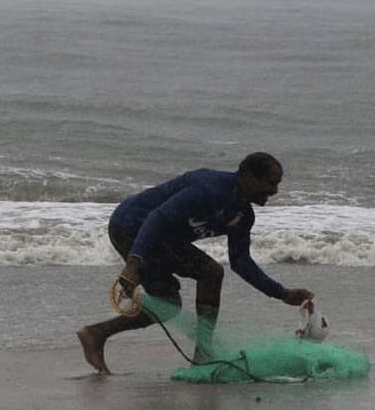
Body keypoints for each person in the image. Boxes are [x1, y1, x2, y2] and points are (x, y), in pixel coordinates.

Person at [76, 152, 314, 374]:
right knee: (210, 272)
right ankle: (203, 354)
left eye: (277, 184)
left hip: (160, 236)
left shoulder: (242, 215)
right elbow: (157, 217)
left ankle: (96, 334)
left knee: (168, 303)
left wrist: (281, 293)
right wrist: (134, 262)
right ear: (249, 177)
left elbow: (241, 262)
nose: (274, 190)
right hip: (132, 225)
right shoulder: (209, 190)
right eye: (271, 183)